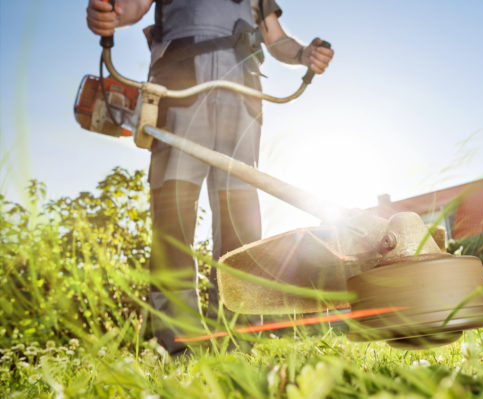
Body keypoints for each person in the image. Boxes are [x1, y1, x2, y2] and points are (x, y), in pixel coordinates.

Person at [86, 0, 334, 355]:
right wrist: (108, 15)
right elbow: (130, 8)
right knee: (173, 218)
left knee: (241, 223)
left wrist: (304, 54)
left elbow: (275, 39)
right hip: (179, 85)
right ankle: (177, 348)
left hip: (242, 91)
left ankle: (240, 346)